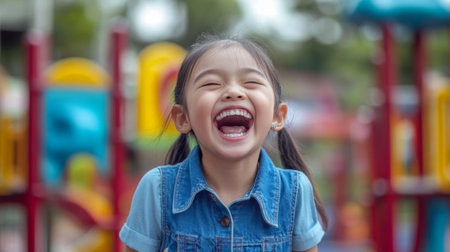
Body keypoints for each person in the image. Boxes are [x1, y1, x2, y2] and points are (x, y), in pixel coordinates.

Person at [120, 35, 327, 252]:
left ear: (277, 115)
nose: (233, 92)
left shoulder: (294, 191)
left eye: (251, 82)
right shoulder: (156, 189)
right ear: (182, 118)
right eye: (211, 83)